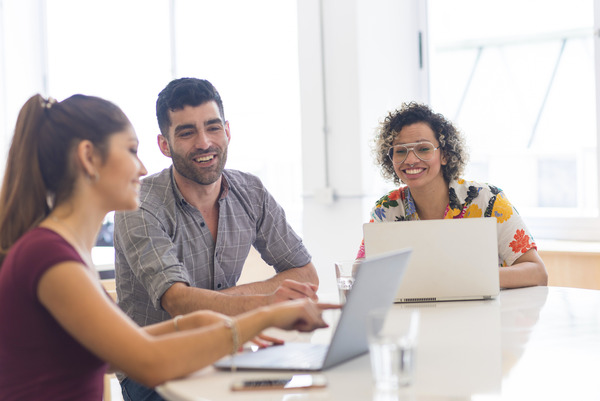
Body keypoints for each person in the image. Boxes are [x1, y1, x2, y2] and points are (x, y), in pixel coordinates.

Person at [0, 94, 338, 401]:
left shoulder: (59, 250)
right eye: (131, 150)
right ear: (89, 157)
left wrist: (195, 322)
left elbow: (105, 355)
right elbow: (148, 363)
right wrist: (265, 315)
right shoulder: (50, 257)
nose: (142, 168)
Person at [113, 78, 320, 399]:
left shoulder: (250, 191)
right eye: (186, 132)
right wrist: (266, 303)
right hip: (155, 363)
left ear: (228, 131)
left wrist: (233, 302)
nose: (204, 142)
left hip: (228, 349)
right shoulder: (139, 203)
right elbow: (178, 302)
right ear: (164, 144)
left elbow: (306, 274)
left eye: (213, 127)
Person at [357, 102, 547, 289]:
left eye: (423, 148)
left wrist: (468, 276)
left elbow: (537, 273)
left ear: (445, 155)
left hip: (484, 315)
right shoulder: (386, 210)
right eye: (400, 151)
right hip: (417, 316)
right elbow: (361, 275)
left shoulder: (489, 200)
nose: (412, 160)